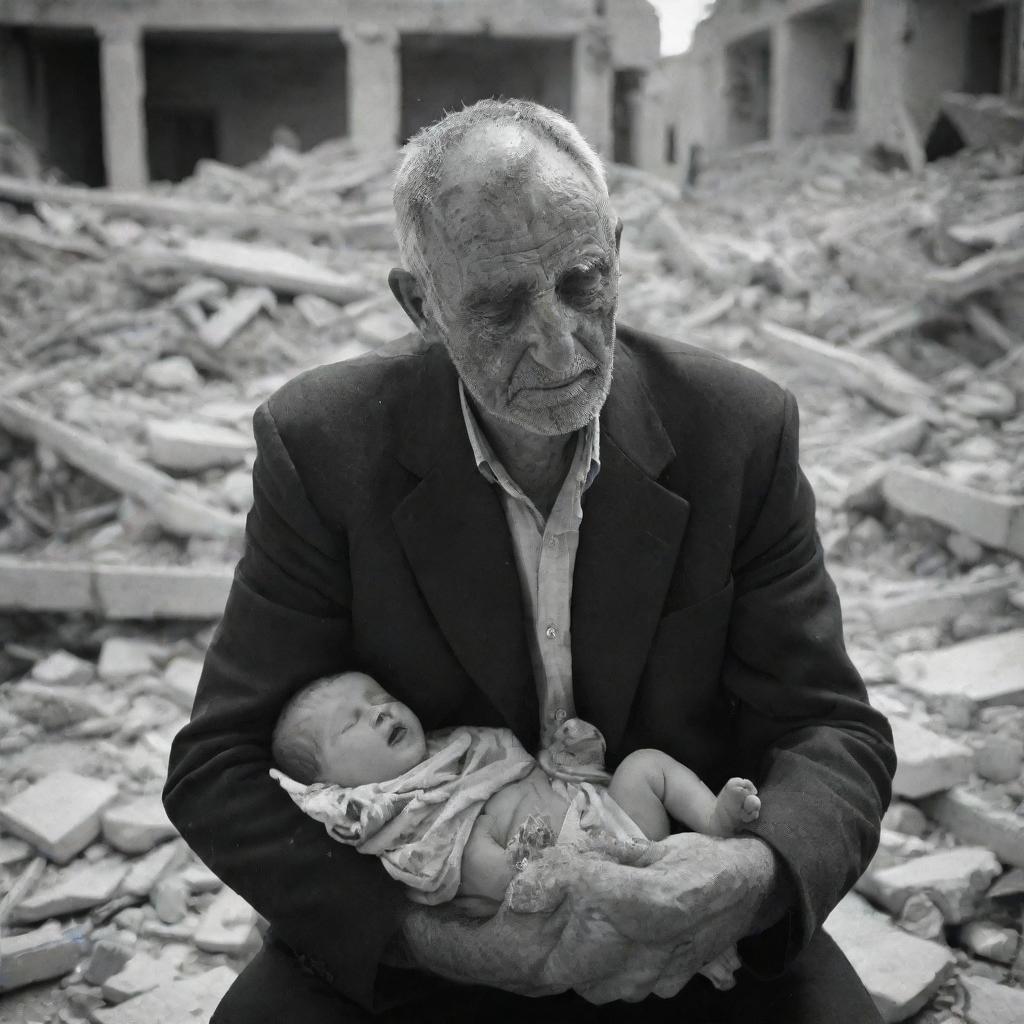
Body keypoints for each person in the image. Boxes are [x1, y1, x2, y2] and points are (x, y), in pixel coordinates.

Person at [163, 98, 896, 1023]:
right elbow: (217, 768)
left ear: (618, 250)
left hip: (691, 927)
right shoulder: (324, 447)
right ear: (419, 305)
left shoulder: (738, 430)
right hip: (439, 932)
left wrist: (744, 876)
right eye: (500, 307)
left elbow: (835, 730)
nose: (556, 341)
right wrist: (462, 945)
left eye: (584, 283)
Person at [268, 670, 762, 905]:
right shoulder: (396, 817)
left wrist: (569, 765)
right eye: (351, 723)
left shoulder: (453, 747)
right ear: (332, 789)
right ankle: (632, 895)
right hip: (558, 881)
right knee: (479, 858)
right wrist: (523, 865)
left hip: (609, 823)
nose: (381, 710)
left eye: (382, 697)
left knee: (646, 767)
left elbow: (527, 775)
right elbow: (454, 864)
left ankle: (713, 820)